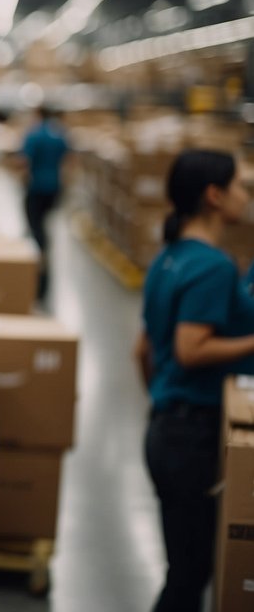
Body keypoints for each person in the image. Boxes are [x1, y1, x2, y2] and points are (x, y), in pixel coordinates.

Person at [133, 149, 254, 612]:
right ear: (214, 196)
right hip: (192, 438)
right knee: (188, 578)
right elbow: (191, 349)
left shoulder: (169, 257)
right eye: (240, 186)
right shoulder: (214, 266)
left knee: (185, 568)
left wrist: (164, 398)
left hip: (168, 428)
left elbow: (142, 351)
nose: (246, 195)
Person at [20, 105, 71, 299]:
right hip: (54, 188)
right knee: (44, 226)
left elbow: (24, 161)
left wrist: (22, 178)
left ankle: (39, 272)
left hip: (36, 188)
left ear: (38, 115)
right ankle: (43, 257)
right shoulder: (59, 134)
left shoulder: (34, 135)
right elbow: (69, 159)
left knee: (36, 230)